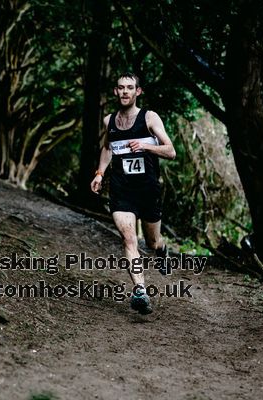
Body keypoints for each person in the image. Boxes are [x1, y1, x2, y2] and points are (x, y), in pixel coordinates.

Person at [90, 72, 176, 315]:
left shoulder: (149, 118)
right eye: (121, 88)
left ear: (138, 92)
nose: (125, 91)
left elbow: (171, 151)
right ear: (116, 92)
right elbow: (108, 148)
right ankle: (140, 290)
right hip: (121, 190)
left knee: (151, 241)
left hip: (148, 190)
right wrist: (99, 173)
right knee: (129, 239)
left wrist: (146, 146)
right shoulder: (110, 121)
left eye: (130, 88)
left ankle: (161, 250)